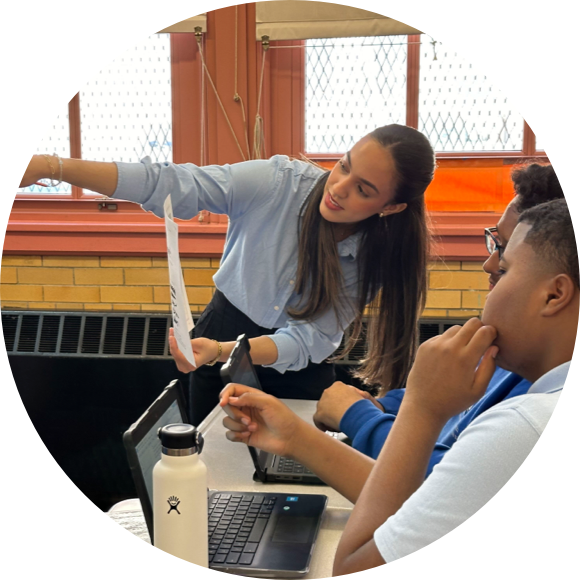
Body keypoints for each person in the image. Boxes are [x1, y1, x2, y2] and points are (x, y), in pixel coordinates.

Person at [219, 197, 579, 574]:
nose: (489, 269)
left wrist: (423, 407)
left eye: (504, 268)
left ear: (554, 295)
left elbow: (353, 569)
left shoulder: (530, 428)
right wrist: (294, 436)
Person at [20, 125, 435, 425]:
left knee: (293, 480)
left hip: (292, 368)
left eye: (364, 189)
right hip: (221, 332)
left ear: (391, 208)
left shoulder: (376, 253)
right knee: (213, 471)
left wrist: (226, 351)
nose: (339, 188)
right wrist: (51, 166)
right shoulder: (277, 182)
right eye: (343, 166)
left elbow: (308, 340)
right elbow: (168, 183)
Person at [312, 162, 564, 477]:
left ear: (556, 292)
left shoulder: (544, 412)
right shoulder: (513, 352)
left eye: (505, 257)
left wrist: (354, 419)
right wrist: (385, 407)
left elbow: (449, 483)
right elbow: (447, 411)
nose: (489, 265)